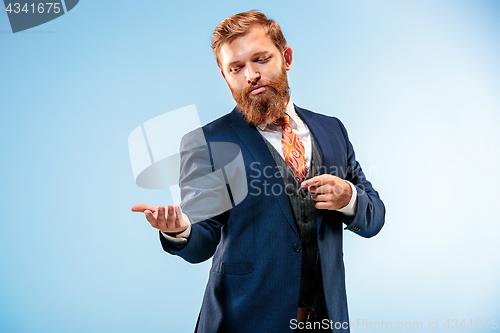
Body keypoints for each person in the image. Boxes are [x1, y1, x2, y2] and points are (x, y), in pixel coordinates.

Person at [132, 10, 385, 333]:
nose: (250, 75)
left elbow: (374, 218)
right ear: (226, 77)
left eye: (261, 59)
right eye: (236, 68)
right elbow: (203, 238)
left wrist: (349, 198)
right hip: (243, 322)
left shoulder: (332, 129)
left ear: (287, 57)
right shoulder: (207, 142)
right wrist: (180, 230)